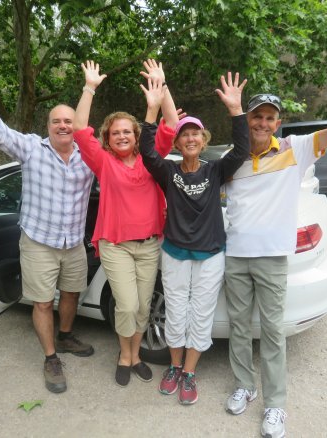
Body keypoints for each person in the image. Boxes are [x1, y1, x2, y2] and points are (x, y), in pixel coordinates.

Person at [222, 49, 327, 437]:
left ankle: (275, 405)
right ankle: (245, 385)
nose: (263, 123)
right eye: (257, 116)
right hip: (236, 256)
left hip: (271, 259)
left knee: (272, 332)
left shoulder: (294, 149)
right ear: (247, 119)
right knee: (238, 328)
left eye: (270, 118)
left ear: (278, 123)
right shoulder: (232, 159)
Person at [0, 60, 95, 394]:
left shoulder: (89, 157)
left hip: (73, 242)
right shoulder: (32, 148)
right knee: (42, 302)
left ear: (76, 125)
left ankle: (65, 336)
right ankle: (51, 357)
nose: (63, 126)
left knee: (72, 294)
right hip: (38, 242)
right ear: (47, 126)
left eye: (68, 121)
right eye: (56, 121)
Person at [139, 73, 250, 405]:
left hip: (210, 254)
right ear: (177, 143)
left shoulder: (215, 170)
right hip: (175, 253)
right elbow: (147, 152)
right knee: (175, 312)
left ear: (203, 141)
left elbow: (242, 150)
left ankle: (189, 372)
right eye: (184, 134)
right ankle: (174, 367)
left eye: (195, 134)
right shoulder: (169, 172)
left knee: (201, 314)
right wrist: (151, 110)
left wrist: (236, 110)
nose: (190, 138)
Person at [72, 59, 179, 387]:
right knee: (127, 304)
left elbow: (172, 123)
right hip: (115, 245)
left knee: (143, 307)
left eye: (127, 131)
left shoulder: (150, 157)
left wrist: (163, 87)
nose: (121, 136)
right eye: (115, 132)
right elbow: (79, 128)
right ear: (108, 137)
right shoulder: (103, 161)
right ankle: (125, 355)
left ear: (136, 135)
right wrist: (89, 88)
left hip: (149, 245)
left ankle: (135, 356)